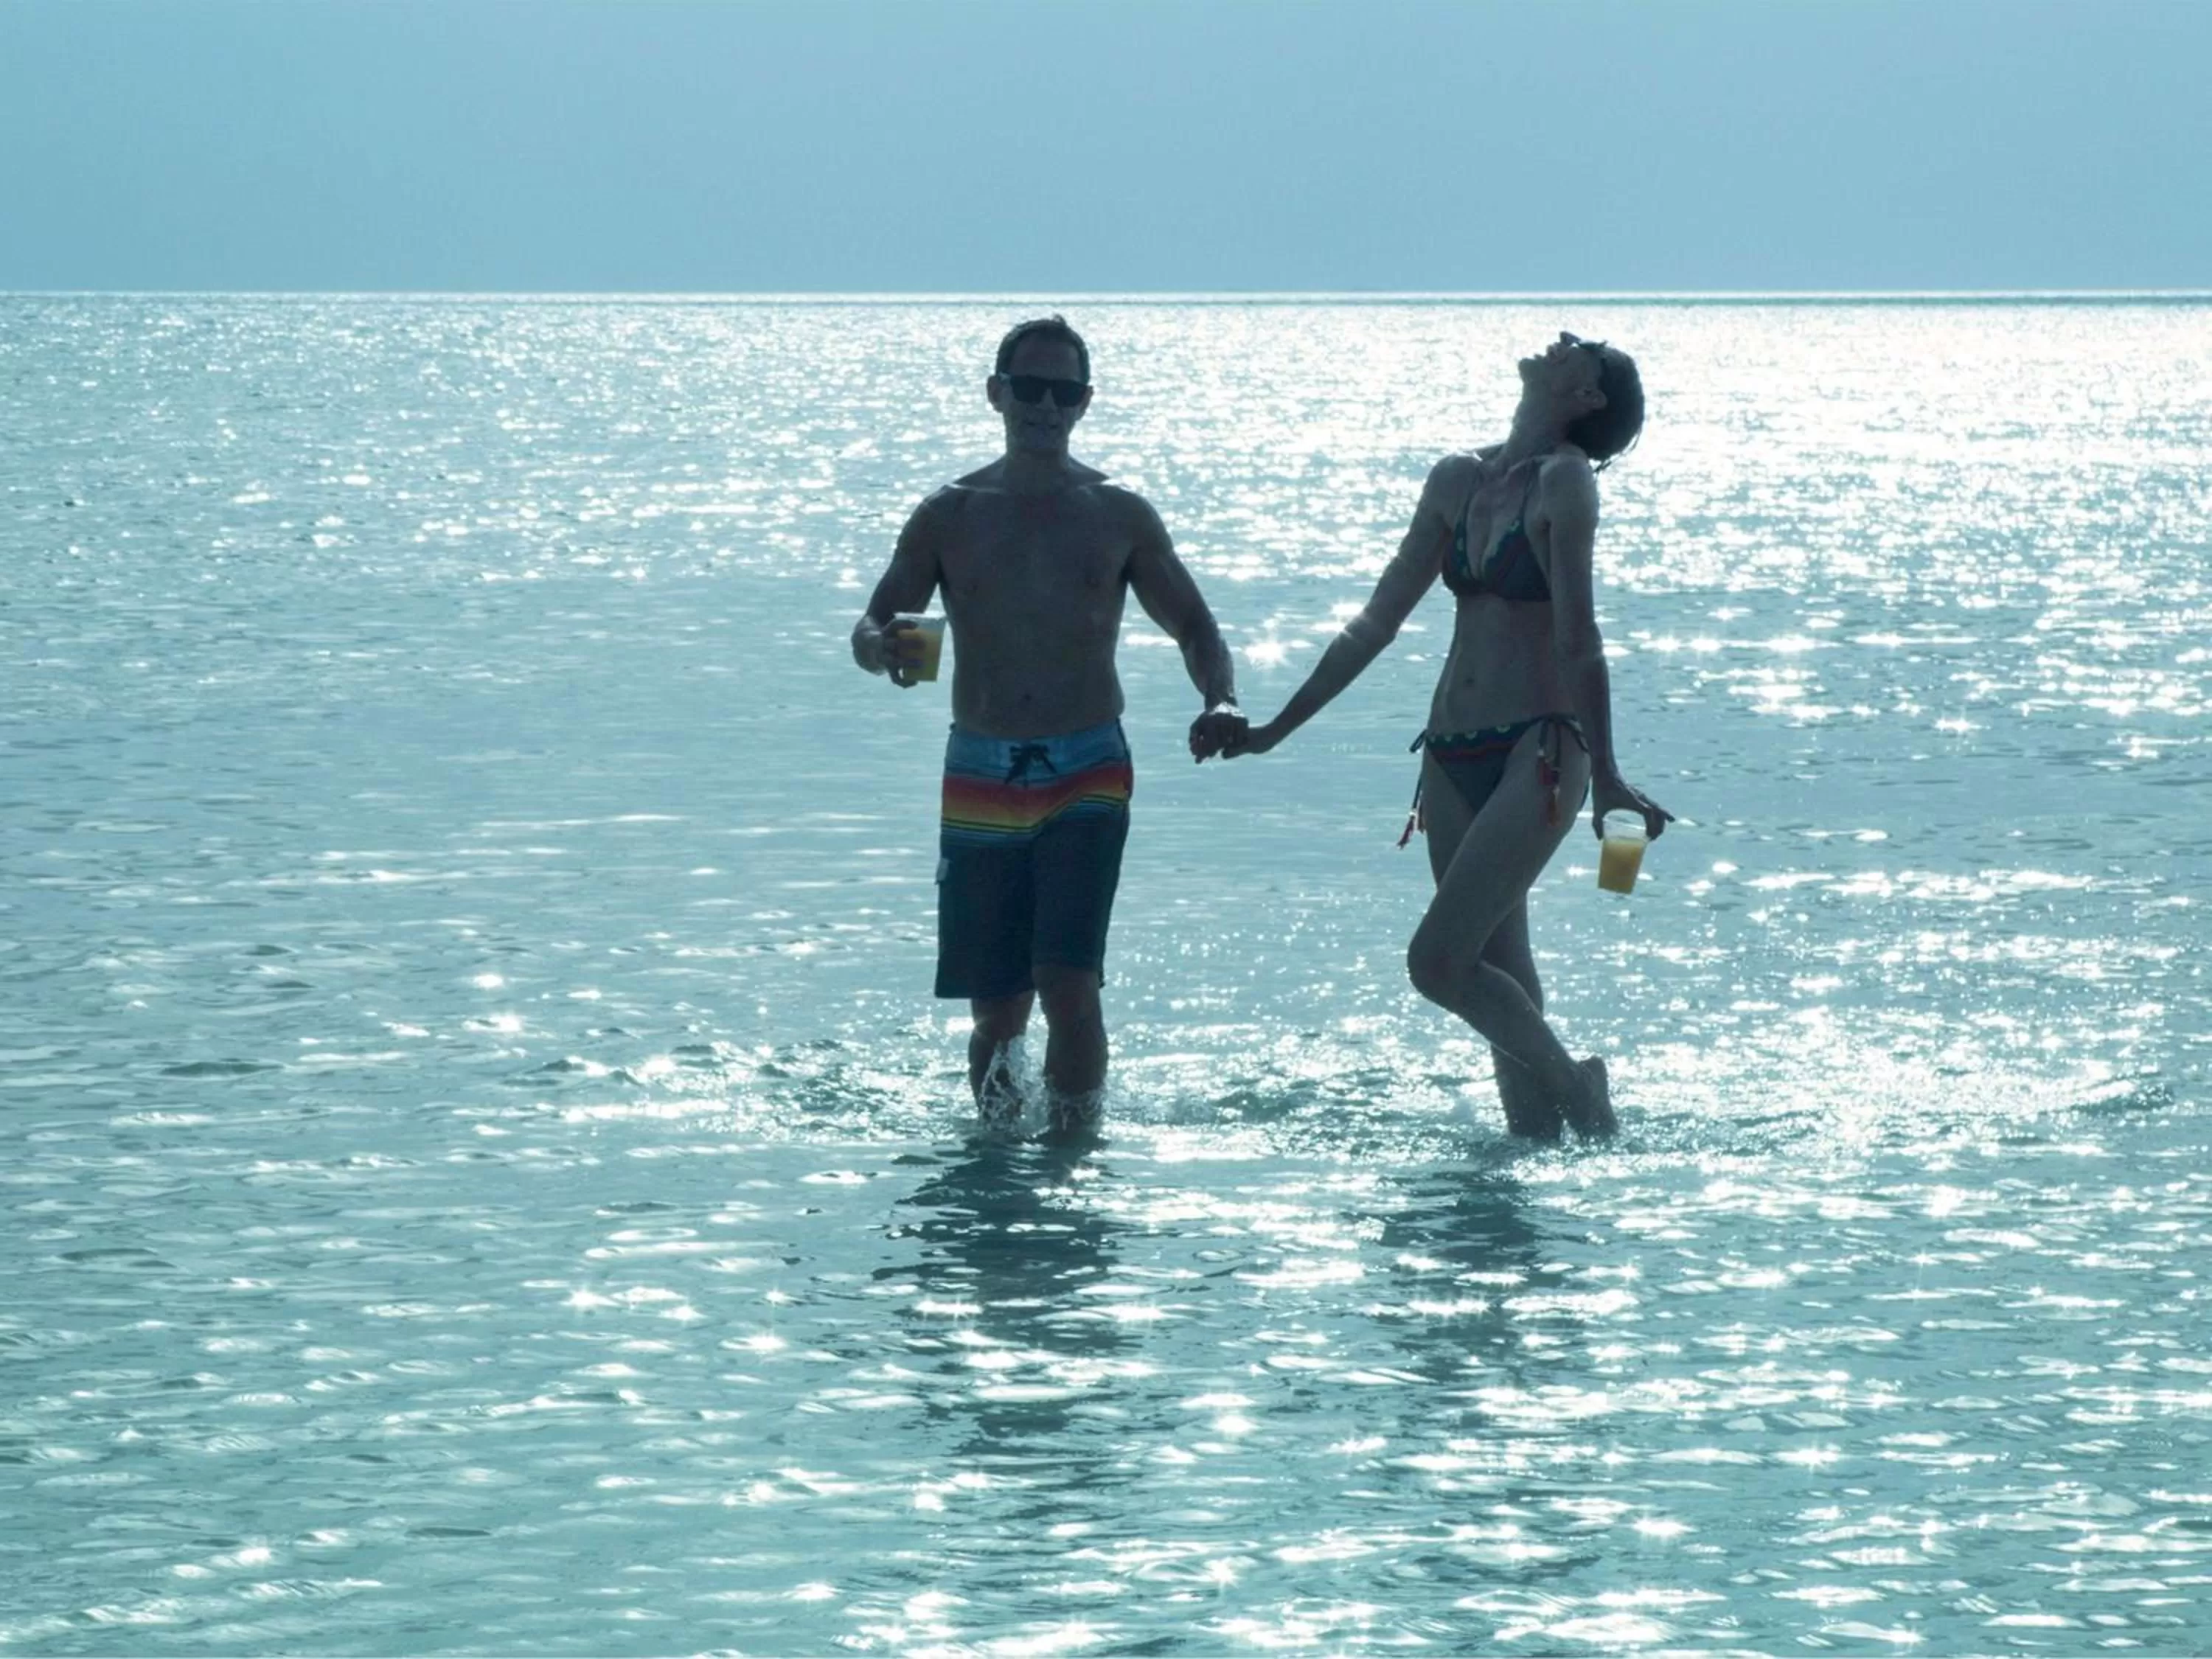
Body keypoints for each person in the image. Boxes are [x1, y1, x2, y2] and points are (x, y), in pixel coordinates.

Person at [1198, 332, 1670, 1141]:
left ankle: (1577, 1089)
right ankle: (1534, 1154)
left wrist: (1612, 777)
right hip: (1452, 754)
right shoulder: (1458, 478)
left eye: (1580, 351)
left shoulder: (1565, 483)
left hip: (1543, 749)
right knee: (1499, 965)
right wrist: (1276, 729)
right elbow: (1375, 624)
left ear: (1589, 399)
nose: (1560, 342)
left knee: (1438, 963)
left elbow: (1579, 639)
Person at [853, 316, 1247, 1133]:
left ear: (1084, 404)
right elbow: (873, 627)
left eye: (1062, 392)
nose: (1044, 406)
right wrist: (881, 647)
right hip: (979, 767)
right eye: (1028, 388)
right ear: (997, 394)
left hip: (1087, 765)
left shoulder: (1117, 512)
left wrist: (1218, 701)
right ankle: (998, 1169)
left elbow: (1198, 630)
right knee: (997, 1007)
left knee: (1069, 983)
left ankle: (1075, 1153)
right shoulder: (949, 513)